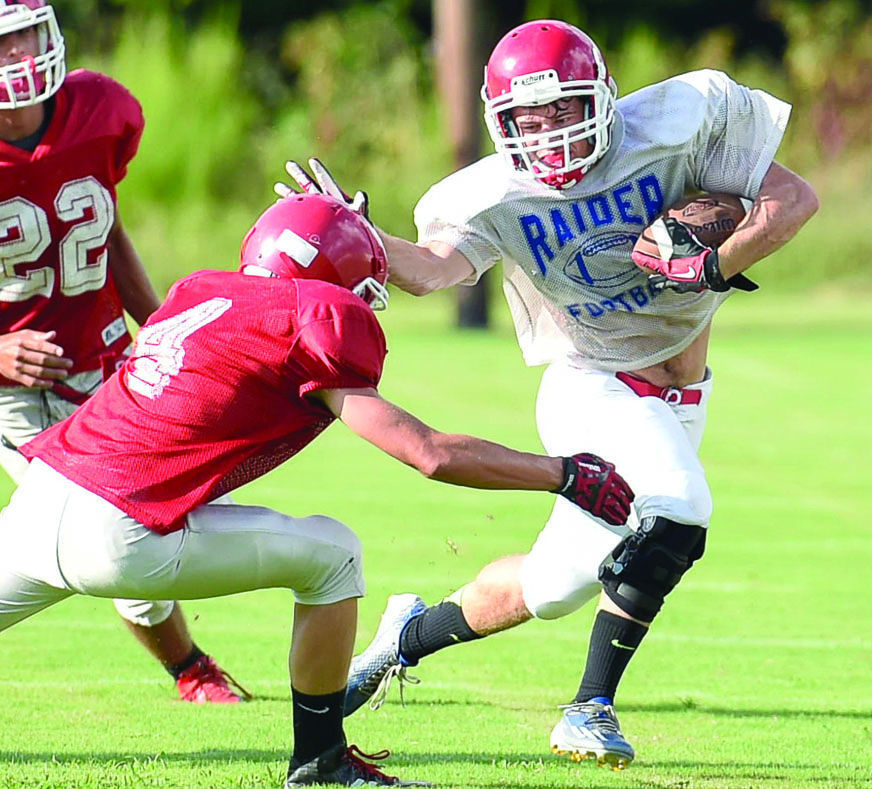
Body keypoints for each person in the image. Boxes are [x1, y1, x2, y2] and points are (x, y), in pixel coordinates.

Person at [278, 17, 820, 771]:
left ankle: (406, 635)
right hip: (588, 381)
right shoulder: (492, 192)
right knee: (680, 506)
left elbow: (792, 200)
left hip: (680, 389)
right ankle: (589, 706)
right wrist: (359, 234)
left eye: (563, 110)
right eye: (528, 120)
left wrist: (712, 266)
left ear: (603, 96)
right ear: (502, 125)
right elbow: (433, 266)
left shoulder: (679, 121)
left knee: (555, 584)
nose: (548, 134)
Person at [0, 191, 635, 786]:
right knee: (334, 555)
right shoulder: (317, 313)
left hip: (40, 496)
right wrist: (566, 474)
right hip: (120, 529)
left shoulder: (198, 292)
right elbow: (429, 454)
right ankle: (321, 760)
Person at [0, 0, 246, 703]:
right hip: (11, 387)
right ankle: (192, 669)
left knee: (131, 515)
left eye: (26, 36)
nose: (19, 56)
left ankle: (191, 669)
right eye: (2, 43)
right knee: (103, 521)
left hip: (104, 361)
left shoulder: (99, 108)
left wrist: (160, 323)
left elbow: (103, 226)